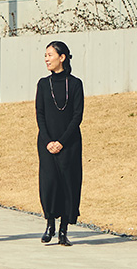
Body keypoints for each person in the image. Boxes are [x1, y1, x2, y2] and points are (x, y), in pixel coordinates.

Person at [35, 40, 84, 247]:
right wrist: (48, 141)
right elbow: (40, 114)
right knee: (49, 184)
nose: (46, 59)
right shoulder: (43, 84)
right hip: (46, 143)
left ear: (62, 57)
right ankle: (49, 225)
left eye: (50, 55)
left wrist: (62, 142)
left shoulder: (75, 84)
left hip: (69, 143)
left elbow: (77, 116)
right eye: (45, 55)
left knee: (68, 185)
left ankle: (64, 230)